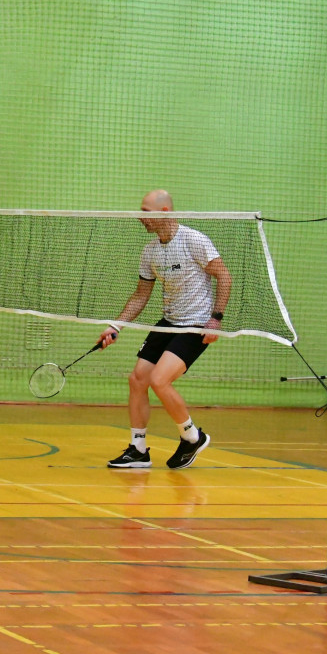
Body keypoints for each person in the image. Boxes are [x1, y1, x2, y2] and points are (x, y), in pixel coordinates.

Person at [97, 190, 231, 469]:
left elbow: (224, 276)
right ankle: (138, 449)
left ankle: (192, 437)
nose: (140, 217)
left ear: (166, 211)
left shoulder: (194, 240)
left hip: (195, 325)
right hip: (168, 322)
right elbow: (140, 295)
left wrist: (215, 319)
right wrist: (115, 326)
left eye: (146, 212)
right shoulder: (150, 251)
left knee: (159, 380)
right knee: (138, 380)